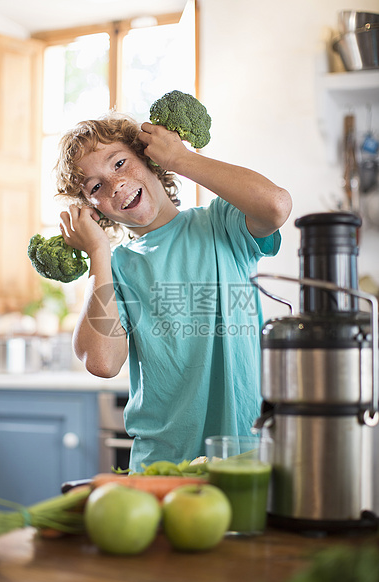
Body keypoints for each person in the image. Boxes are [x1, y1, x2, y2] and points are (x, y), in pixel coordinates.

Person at [56, 112, 292, 472]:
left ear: (150, 159)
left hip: (245, 456)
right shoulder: (114, 267)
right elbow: (102, 362)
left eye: (120, 163)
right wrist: (98, 254)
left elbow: (275, 205)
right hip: (161, 466)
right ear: (94, 209)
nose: (115, 184)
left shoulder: (221, 224)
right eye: (96, 187)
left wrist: (182, 158)